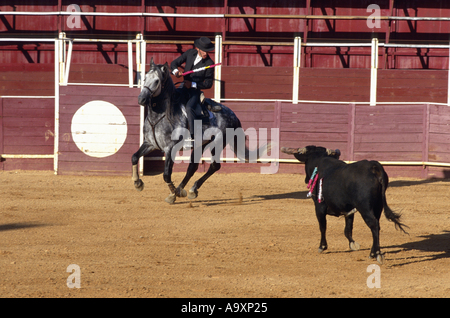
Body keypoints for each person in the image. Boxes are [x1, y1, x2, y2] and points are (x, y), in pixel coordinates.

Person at [170, 36, 215, 148]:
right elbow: (174, 64)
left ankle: (192, 136)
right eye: (204, 51)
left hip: (194, 91)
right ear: (198, 49)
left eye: (208, 51)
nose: (206, 53)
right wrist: (176, 72)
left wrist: (193, 84)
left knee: (190, 108)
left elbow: (209, 84)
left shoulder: (209, 63)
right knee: (172, 101)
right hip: (183, 87)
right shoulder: (190, 53)